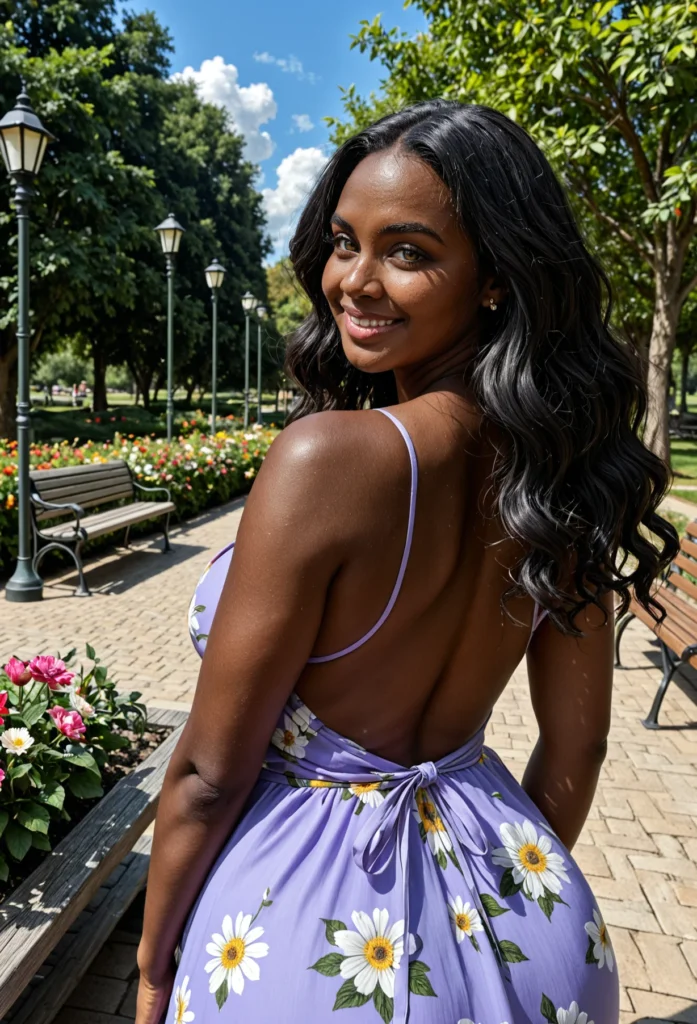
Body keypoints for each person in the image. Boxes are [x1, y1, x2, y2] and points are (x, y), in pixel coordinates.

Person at [135, 101, 677, 1024]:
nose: (354, 280)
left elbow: (208, 777)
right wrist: (503, 908)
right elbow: (577, 745)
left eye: (408, 252)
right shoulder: (565, 472)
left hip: (308, 952)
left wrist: (151, 971)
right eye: (345, 242)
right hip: (535, 925)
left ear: (496, 278)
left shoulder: (327, 460)